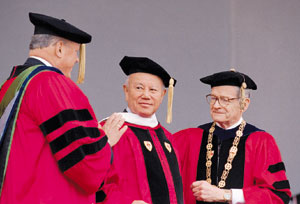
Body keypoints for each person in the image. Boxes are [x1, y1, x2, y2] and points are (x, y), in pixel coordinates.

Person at [0, 12, 126, 203]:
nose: (77, 60)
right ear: (59, 48)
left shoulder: (9, 85)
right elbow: (85, 164)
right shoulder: (51, 84)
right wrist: (105, 141)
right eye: (75, 52)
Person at [173, 69, 291, 204]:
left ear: (244, 104)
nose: (216, 105)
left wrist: (227, 195)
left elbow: (277, 196)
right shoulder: (188, 138)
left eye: (225, 100)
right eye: (213, 98)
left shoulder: (261, 142)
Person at [96, 56, 183, 204]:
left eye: (153, 90)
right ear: (126, 91)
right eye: (139, 88)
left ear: (162, 96)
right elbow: (95, 183)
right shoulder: (110, 129)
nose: (146, 95)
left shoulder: (167, 137)